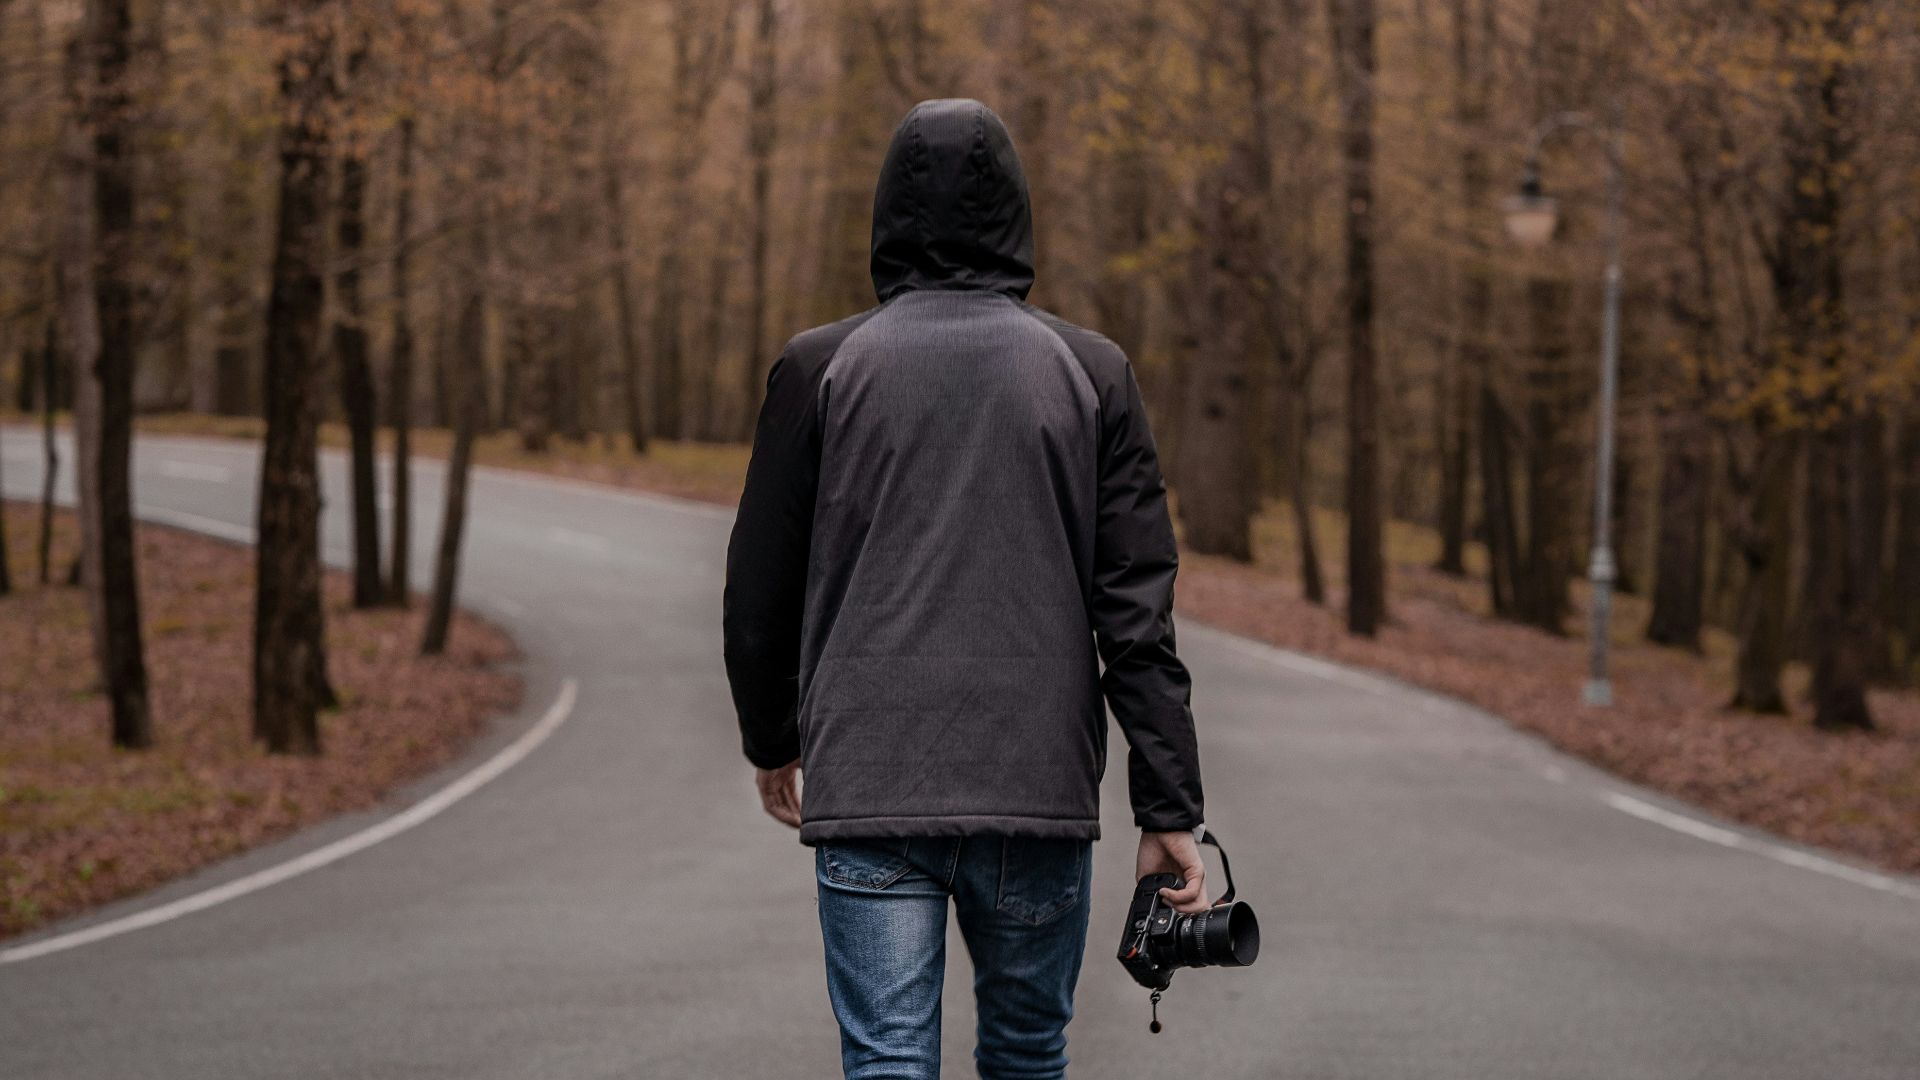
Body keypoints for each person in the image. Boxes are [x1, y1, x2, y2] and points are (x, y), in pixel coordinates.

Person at [723, 98, 1208, 1080]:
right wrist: (1170, 807)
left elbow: (757, 589)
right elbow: (1137, 616)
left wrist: (773, 740)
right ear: (1019, 216)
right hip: (1034, 794)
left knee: (888, 1063)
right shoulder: (1092, 373)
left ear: (889, 213)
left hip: (873, 784)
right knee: (1027, 1057)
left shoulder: (819, 368)